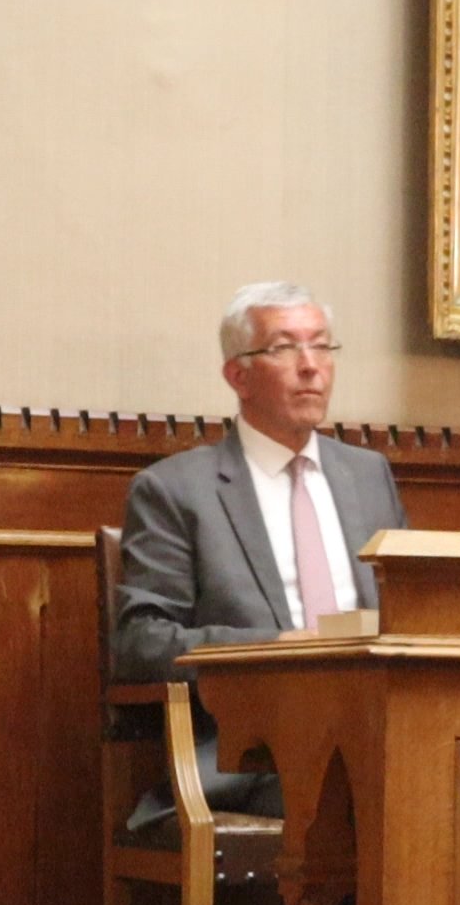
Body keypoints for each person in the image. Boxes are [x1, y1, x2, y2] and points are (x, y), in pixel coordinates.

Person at [114, 281, 408, 825]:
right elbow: (141, 641)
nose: (310, 366)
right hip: (251, 757)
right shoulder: (176, 490)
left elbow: (409, 612)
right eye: (284, 348)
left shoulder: (368, 478)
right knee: (359, 801)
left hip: (379, 737)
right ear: (237, 374)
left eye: (321, 346)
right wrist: (278, 647)